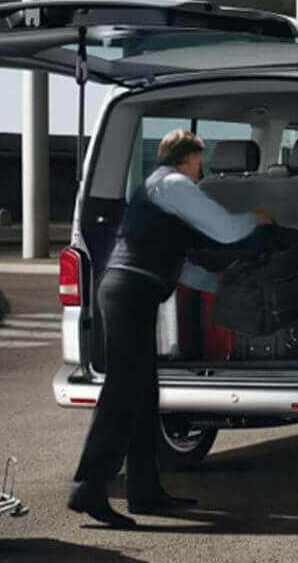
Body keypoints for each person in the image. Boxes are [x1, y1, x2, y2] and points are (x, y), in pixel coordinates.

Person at [69, 129, 272, 527]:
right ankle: (88, 489)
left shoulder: (162, 193)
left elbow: (182, 267)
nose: (201, 172)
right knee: (123, 393)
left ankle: (145, 493)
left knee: (144, 395)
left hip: (133, 294)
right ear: (186, 158)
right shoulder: (174, 183)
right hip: (129, 294)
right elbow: (227, 230)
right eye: (199, 161)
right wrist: (257, 219)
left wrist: (227, 287)